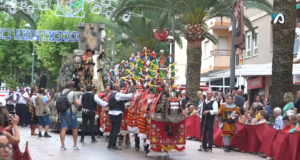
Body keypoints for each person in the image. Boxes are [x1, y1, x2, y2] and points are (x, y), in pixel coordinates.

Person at [107, 84, 133, 150]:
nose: (120, 88)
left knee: (113, 129)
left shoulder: (111, 94)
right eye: (119, 87)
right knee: (116, 130)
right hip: (117, 114)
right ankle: (113, 145)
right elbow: (127, 96)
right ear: (117, 88)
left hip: (112, 113)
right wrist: (135, 93)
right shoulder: (117, 94)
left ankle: (110, 145)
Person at [60, 81, 82, 151]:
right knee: (74, 128)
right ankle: (75, 145)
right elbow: (78, 103)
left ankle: (62, 146)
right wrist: (81, 105)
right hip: (71, 113)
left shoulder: (62, 92)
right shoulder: (72, 93)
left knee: (63, 129)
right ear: (71, 86)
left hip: (63, 112)